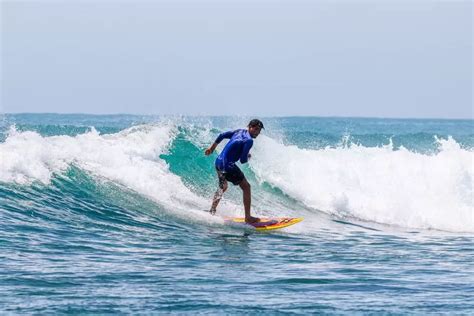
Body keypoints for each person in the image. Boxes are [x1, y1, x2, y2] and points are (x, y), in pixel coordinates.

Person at [204, 119, 264, 223]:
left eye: (259, 130)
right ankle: (248, 217)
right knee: (246, 187)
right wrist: (247, 156)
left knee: (223, 187)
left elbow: (222, 135)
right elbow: (242, 160)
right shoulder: (249, 141)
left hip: (218, 162)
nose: (257, 132)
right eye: (255, 129)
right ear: (250, 127)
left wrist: (212, 148)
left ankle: (212, 210)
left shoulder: (239, 131)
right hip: (228, 166)